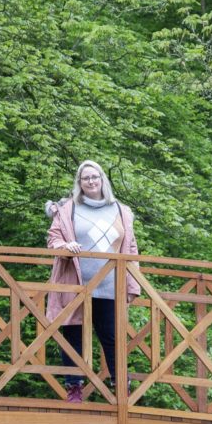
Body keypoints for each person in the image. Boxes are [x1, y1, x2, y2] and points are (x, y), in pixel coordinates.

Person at [46, 160, 140, 403]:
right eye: (85, 178)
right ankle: (74, 388)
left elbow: (130, 248)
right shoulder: (68, 209)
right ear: (79, 183)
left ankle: (120, 387)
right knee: (73, 332)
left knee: (111, 336)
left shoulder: (120, 210)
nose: (90, 181)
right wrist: (64, 246)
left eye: (94, 177)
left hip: (110, 285)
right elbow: (53, 238)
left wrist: (133, 284)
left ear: (102, 180)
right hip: (75, 283)